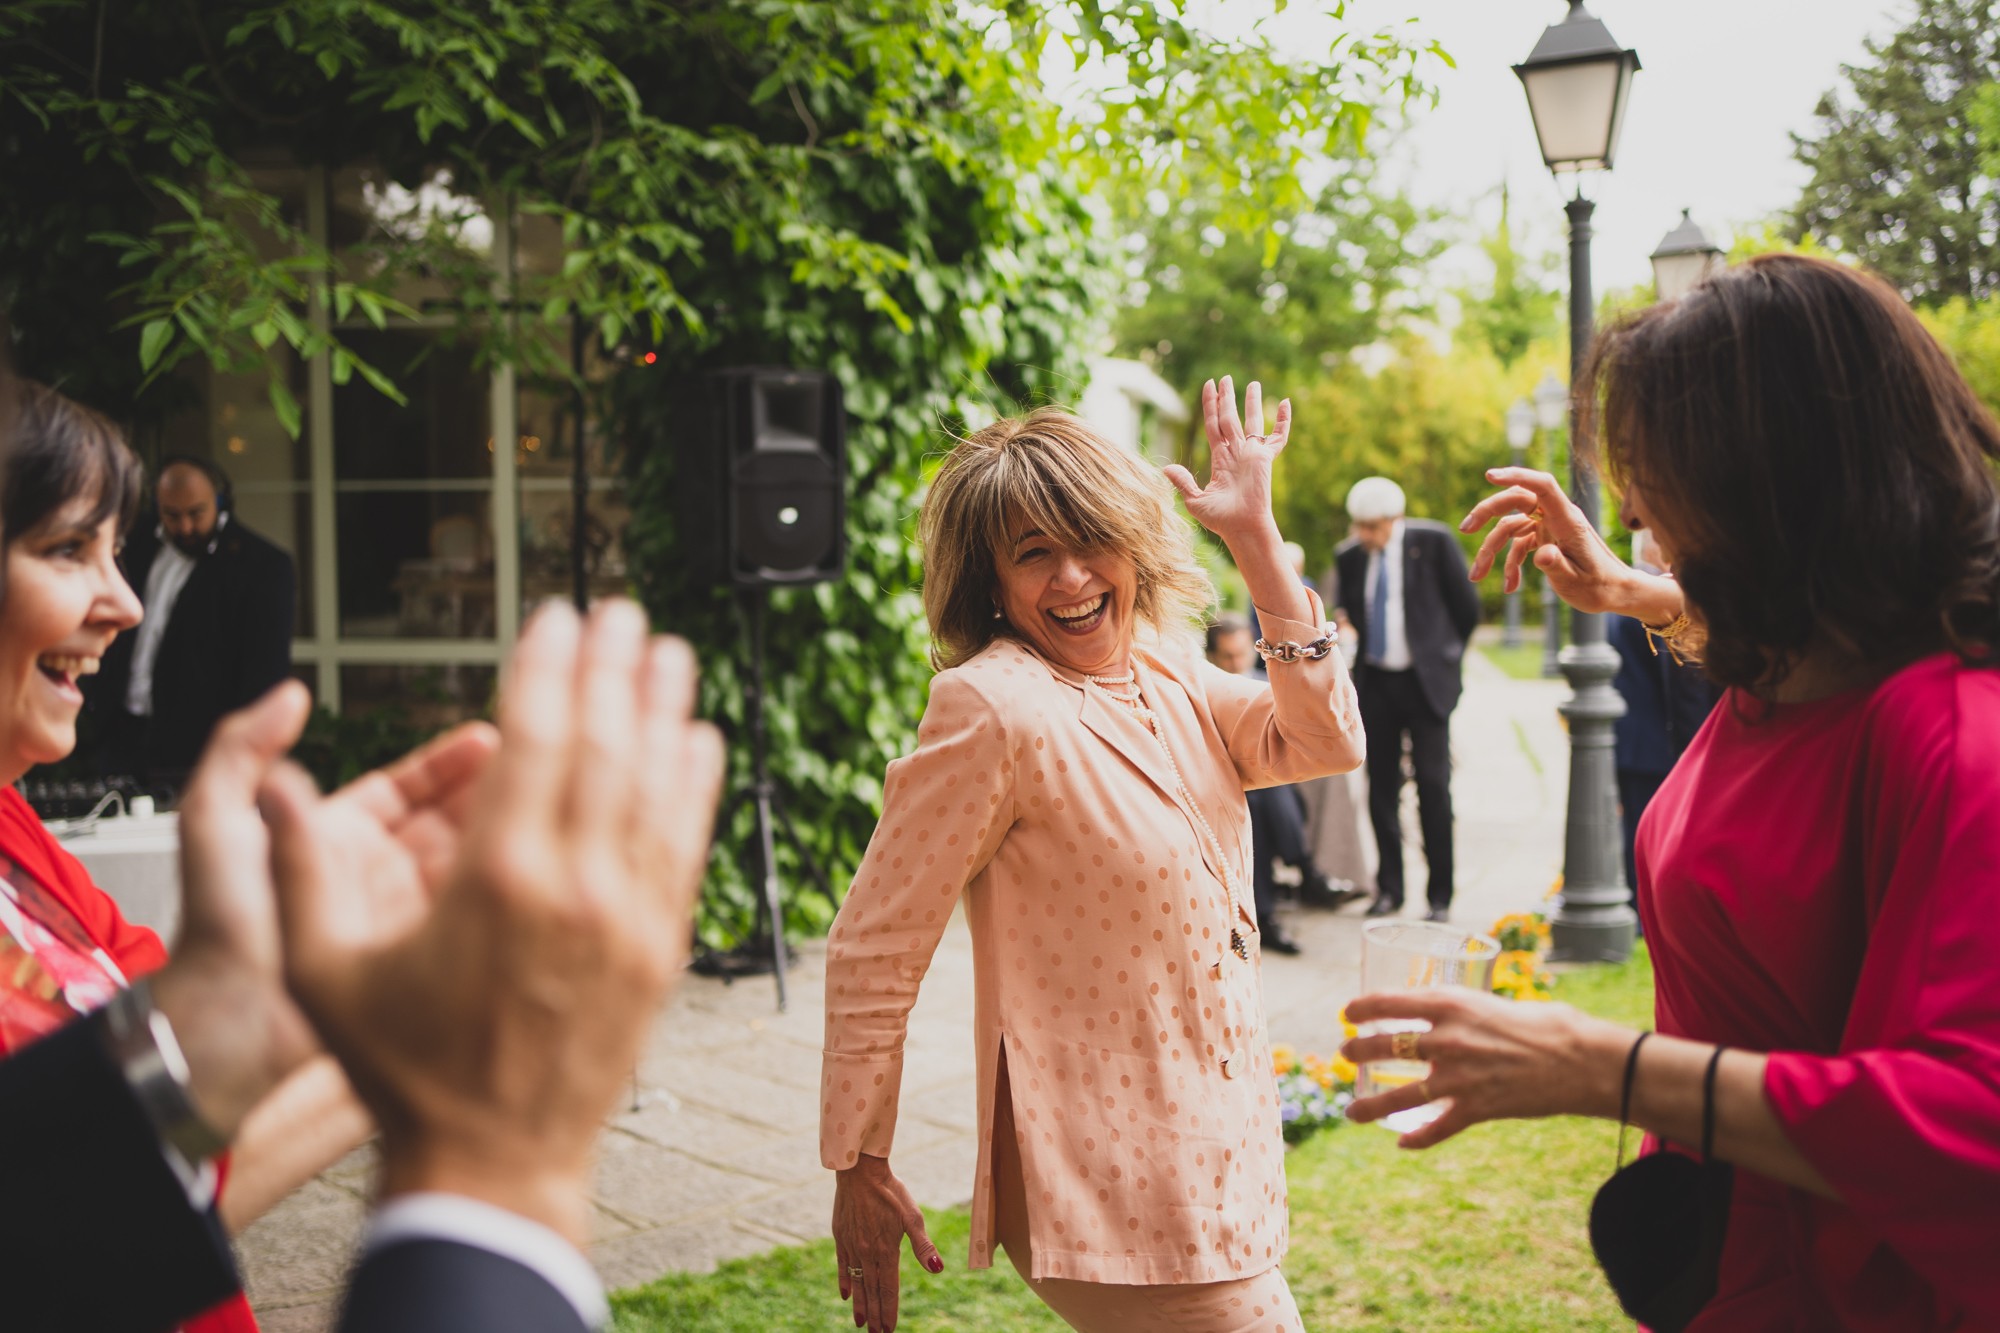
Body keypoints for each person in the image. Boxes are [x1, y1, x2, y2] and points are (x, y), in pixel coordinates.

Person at [1348, 254, 2000, 1329]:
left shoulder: (1951, 733)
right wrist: (1634, 593)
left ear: (1777, 483)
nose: (1639, 497)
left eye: (1658, 468)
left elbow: (1970, 1126)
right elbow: (1806, 687)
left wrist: (1600, 1062)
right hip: (1733, 1245)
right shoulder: (1806, 655)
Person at [823, 382, 1364, 1333]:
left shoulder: (1161, 664)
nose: (1071, 578)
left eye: (1088, 541)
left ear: (1131, 542)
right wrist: (859, 1162)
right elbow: (875, 945)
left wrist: (1258, 546)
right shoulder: (989, 707)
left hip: (1220, 1143)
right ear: (992, 582)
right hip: (1105, 1168)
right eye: (1034, 554)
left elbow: (1318, 741)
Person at [0, 384, 363, 1333]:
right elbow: (62, 1224)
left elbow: (174, 1021)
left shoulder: (11, 827)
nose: (119, 600)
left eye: (118, 551)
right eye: (69, 548)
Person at [89, 455, 296, 789]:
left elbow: (264, 677)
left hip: (200, 752)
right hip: (122, 740)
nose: (184, 527)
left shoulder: (263, 567)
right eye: (171, 515)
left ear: (220, 501)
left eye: (196, 513)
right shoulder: (134, 543)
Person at [1333, 476, 1479, 923]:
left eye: (1373, 527)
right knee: (1380, 789)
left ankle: (1439, 897)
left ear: (1394, 519)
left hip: (1425, 684)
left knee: (1434, 787)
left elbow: (1467, 608)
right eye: (1359, 526)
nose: (1364, 535)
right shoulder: (1351, 557)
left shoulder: (1432, 542)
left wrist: (1447, 656)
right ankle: (1389, 890)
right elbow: (1351, 610)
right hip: (1377, 684)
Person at [1205, 616, 1364, 954]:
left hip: (1280, 790)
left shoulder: (1270, 683)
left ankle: (1269, 913)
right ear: (1213, 658)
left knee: (1265, 797)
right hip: (1225, 787)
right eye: (1228, 657)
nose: (1237, 663)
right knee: (1257, 803)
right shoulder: (1205, 692)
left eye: (1242, 654)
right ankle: (1307, 872)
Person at [1606, 529, 1717, 901]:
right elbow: (1683, 685)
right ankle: (1648, 904)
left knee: (1637, 830)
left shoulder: (1620, 596)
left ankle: (1641, 903)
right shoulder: (1660, 602)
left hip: (1630, 740)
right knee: (1661, 833)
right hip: (1660, 741)